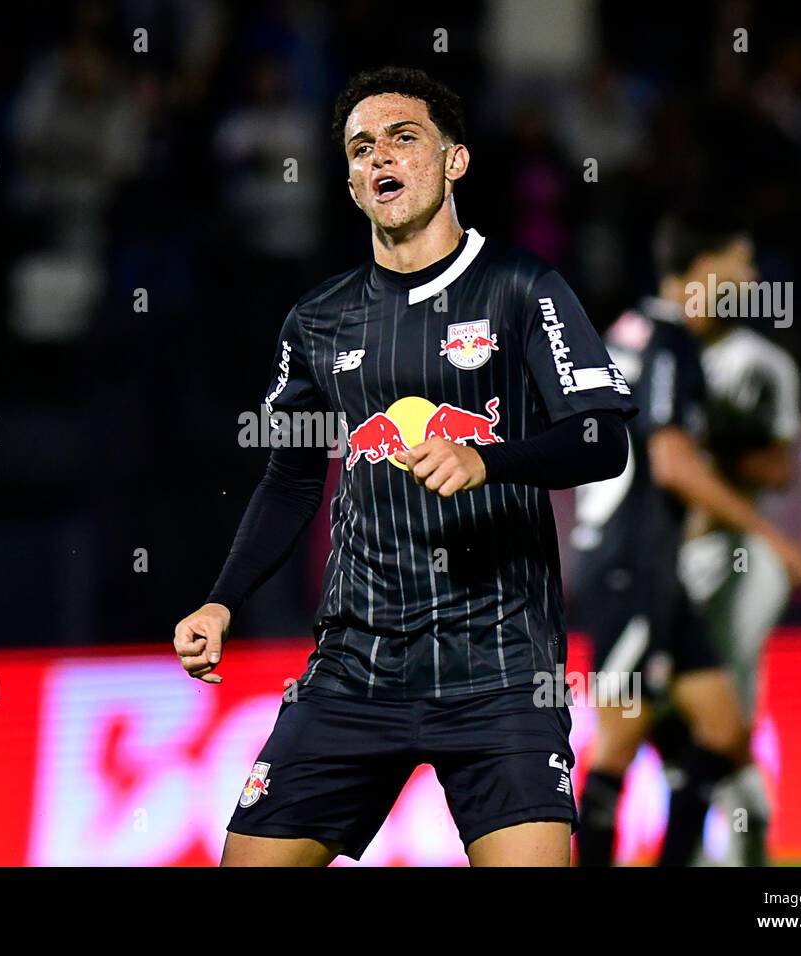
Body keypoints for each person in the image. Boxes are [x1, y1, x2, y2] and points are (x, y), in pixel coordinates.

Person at [172, 66, 634, 867]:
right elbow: (289, 480)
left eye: (402, 137)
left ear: (454, 161)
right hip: (356, 668)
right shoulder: (317, 320)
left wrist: (488, 461)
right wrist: (220, 601)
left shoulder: (524, 289)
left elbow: (602, 440)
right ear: (351, 183)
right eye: (360, 147)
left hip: (500, 671)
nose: (378, 155)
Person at [570, 211, 801, 866]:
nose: (753, 276)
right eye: (742, 260)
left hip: (650, 568)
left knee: (725, 732)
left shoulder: (629, 330)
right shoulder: (670, 341)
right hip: (628, 568)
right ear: (706, 268)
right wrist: (770, 536)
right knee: (618, 748)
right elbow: (673, 463)